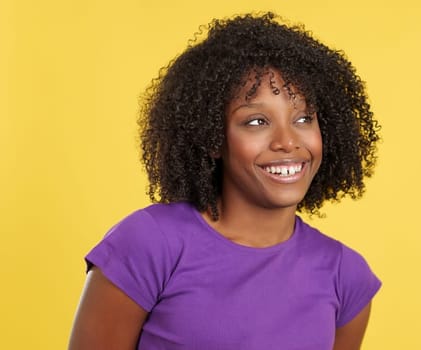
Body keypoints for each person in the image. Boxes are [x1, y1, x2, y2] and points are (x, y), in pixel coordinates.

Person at [69, 12, 382, 350]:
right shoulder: (148, 245)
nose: (287, 141)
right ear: (213, 138)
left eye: (303, 118)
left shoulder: (346, 276)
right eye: (256, 121)